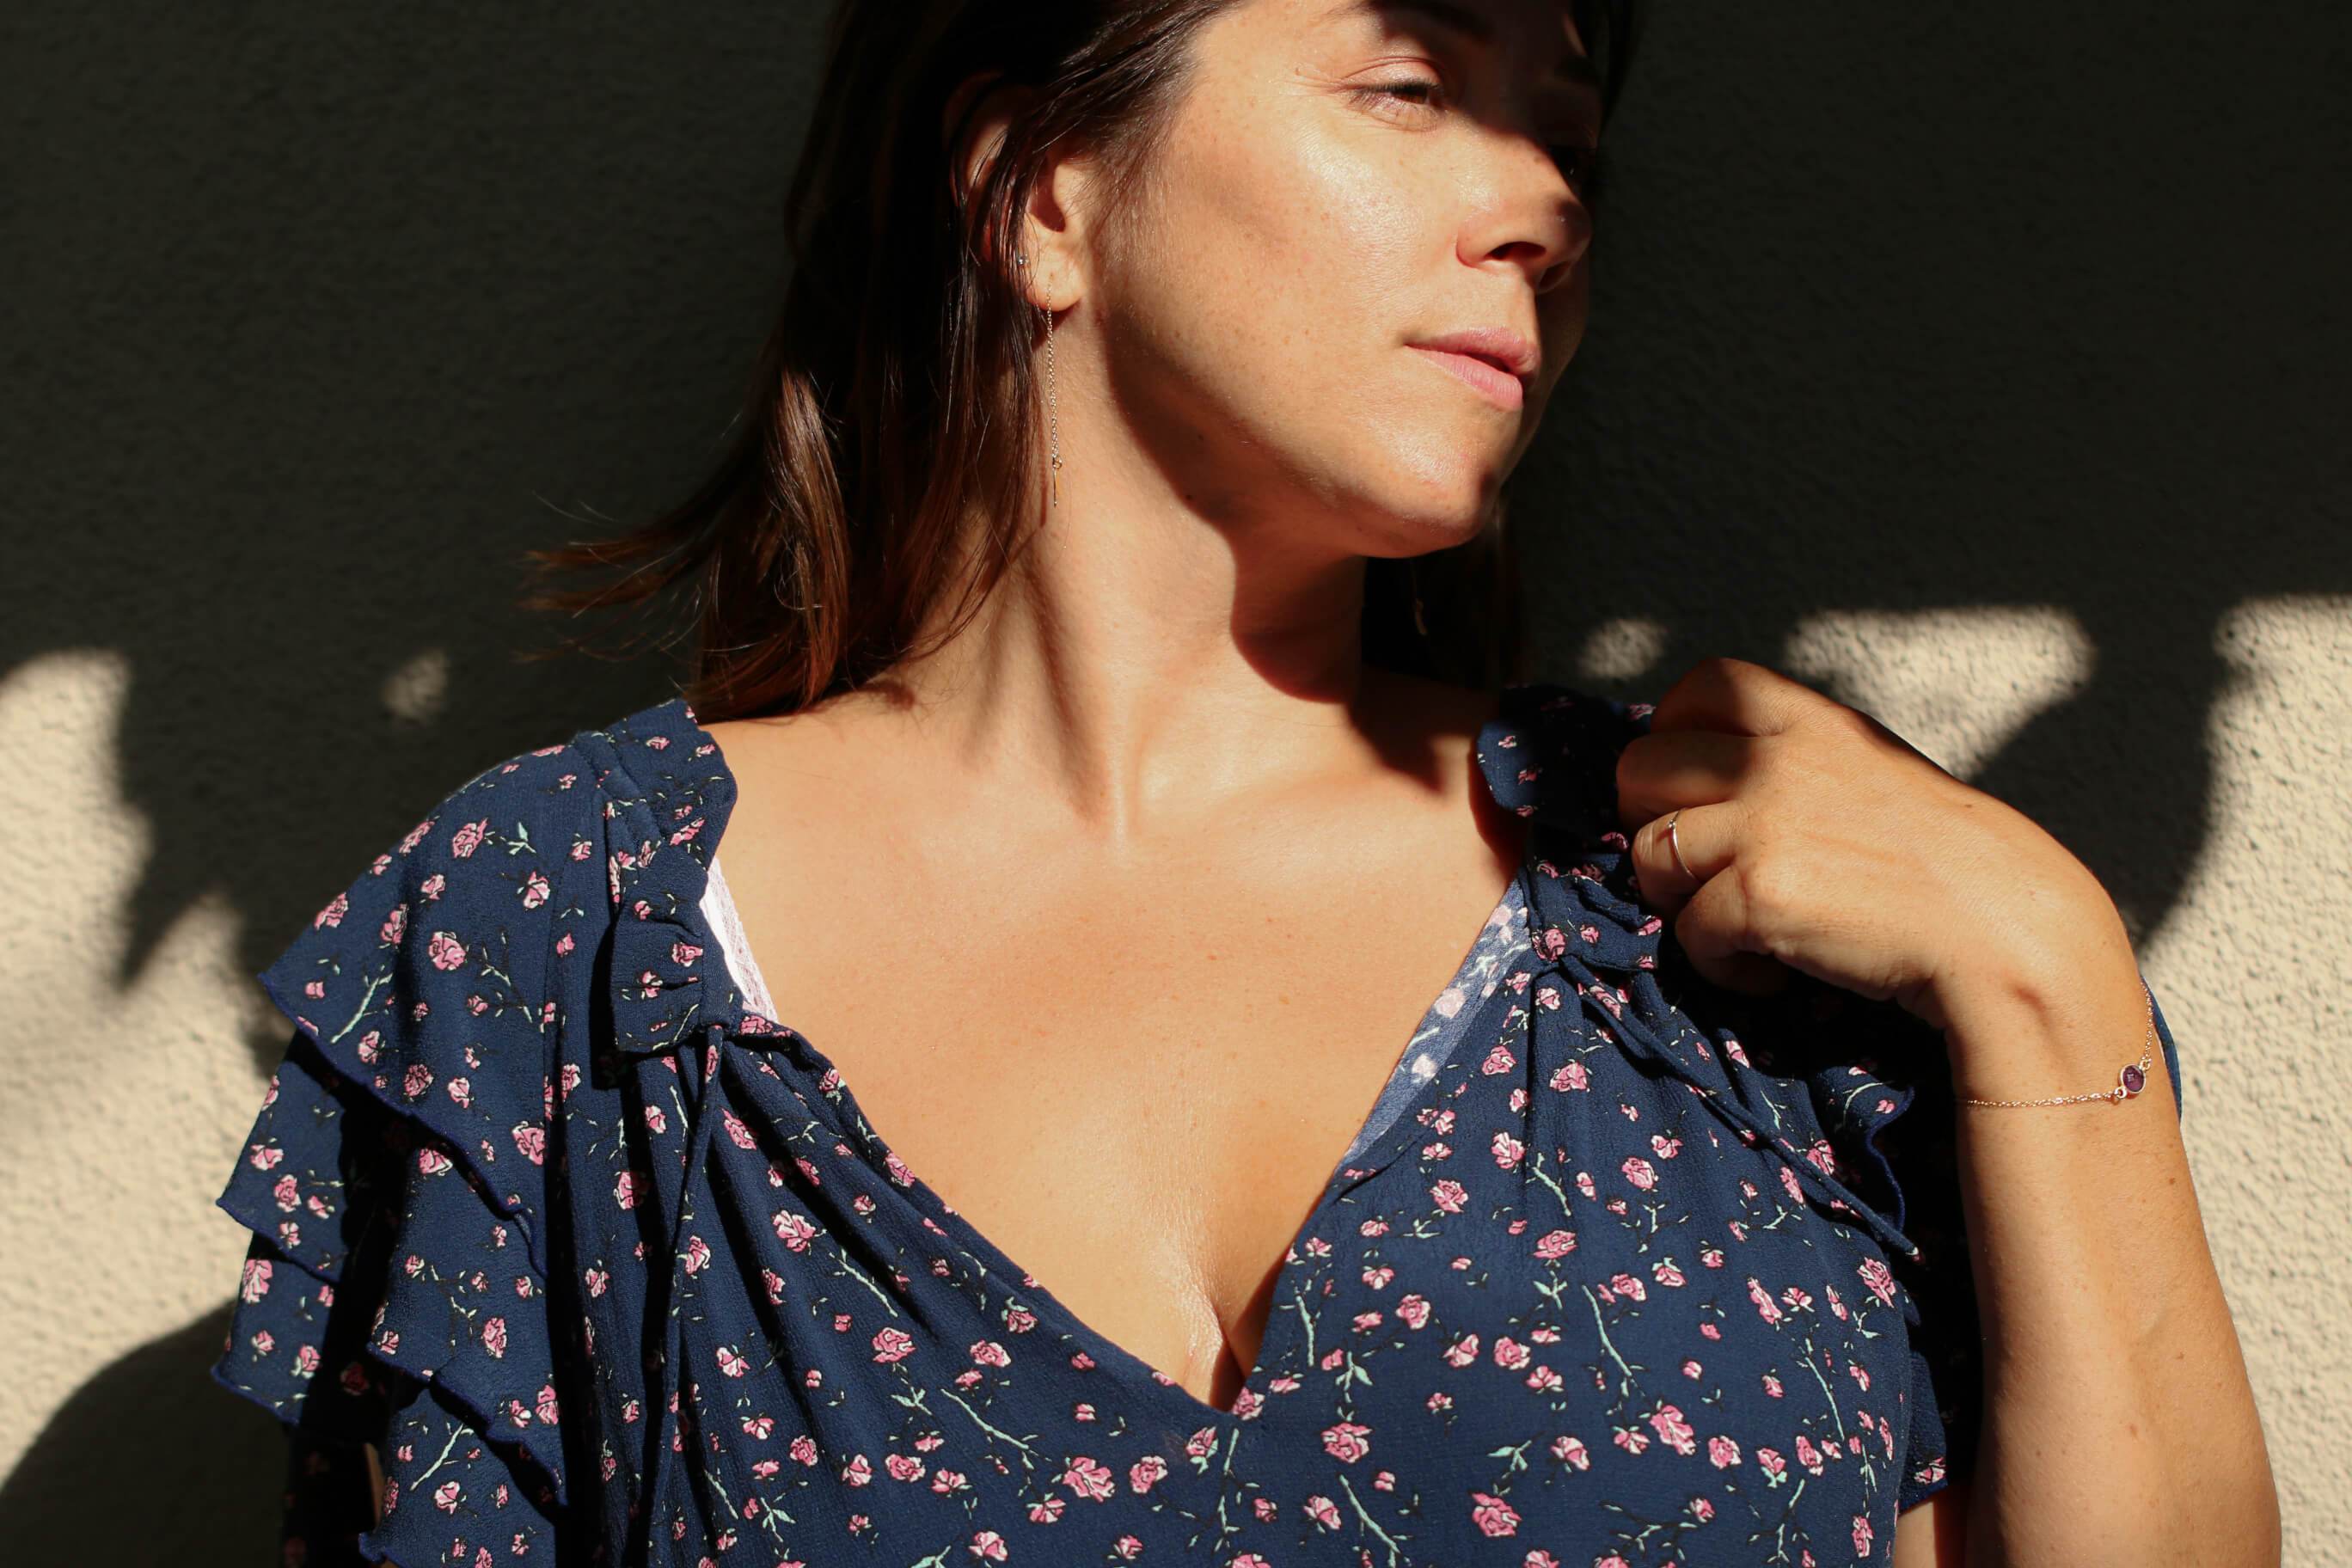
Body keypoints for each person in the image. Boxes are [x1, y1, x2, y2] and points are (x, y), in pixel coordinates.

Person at [209, 2, 2279, 1564]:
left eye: (1575, 143)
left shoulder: (1741, 887)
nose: (1548, 207)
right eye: (1411, 88)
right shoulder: (563, 933)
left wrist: (2044, 967)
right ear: (1043, 190)